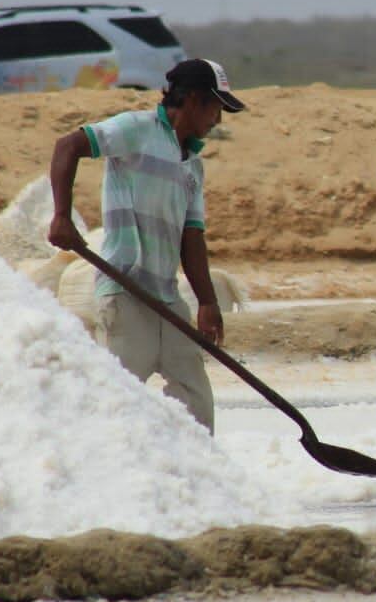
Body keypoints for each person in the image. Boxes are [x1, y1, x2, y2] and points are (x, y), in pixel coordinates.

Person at [46, 58, 246, 434]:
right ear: (193, 101)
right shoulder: (136, 129)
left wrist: (206, 301)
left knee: (196, 400)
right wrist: (61, 215)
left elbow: (192, 237)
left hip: (166, 298)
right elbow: (68, 146)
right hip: (124, 291)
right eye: (216, 107)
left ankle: (193, 480)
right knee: (116, 405)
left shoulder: (192, 166)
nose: (218, 120)